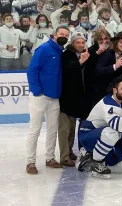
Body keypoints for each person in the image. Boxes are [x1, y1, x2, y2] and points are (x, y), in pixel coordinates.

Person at [25, 26, 70, 174]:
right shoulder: (44, 49)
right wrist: (37, 91)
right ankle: (30, 162)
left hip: (54, 97)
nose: (63, 36)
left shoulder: (60, 51)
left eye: (66, 35)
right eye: (61, 34)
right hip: (40, 96)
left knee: (52, 129)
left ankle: (50, 158)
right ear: (54, 35)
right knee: (35, 129)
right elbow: (32, 70)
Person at [58, 32, 91, 167]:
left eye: (83, 42)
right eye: (78, 42)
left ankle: (70, 151)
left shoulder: (81, 55)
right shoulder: (67, 55)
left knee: (71, 127)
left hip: (75, 99)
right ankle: (64, 156)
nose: (81, 45)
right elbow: (68, 69)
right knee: (65, 129)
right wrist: (81, 61)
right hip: (66, 98)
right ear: (73, 43)